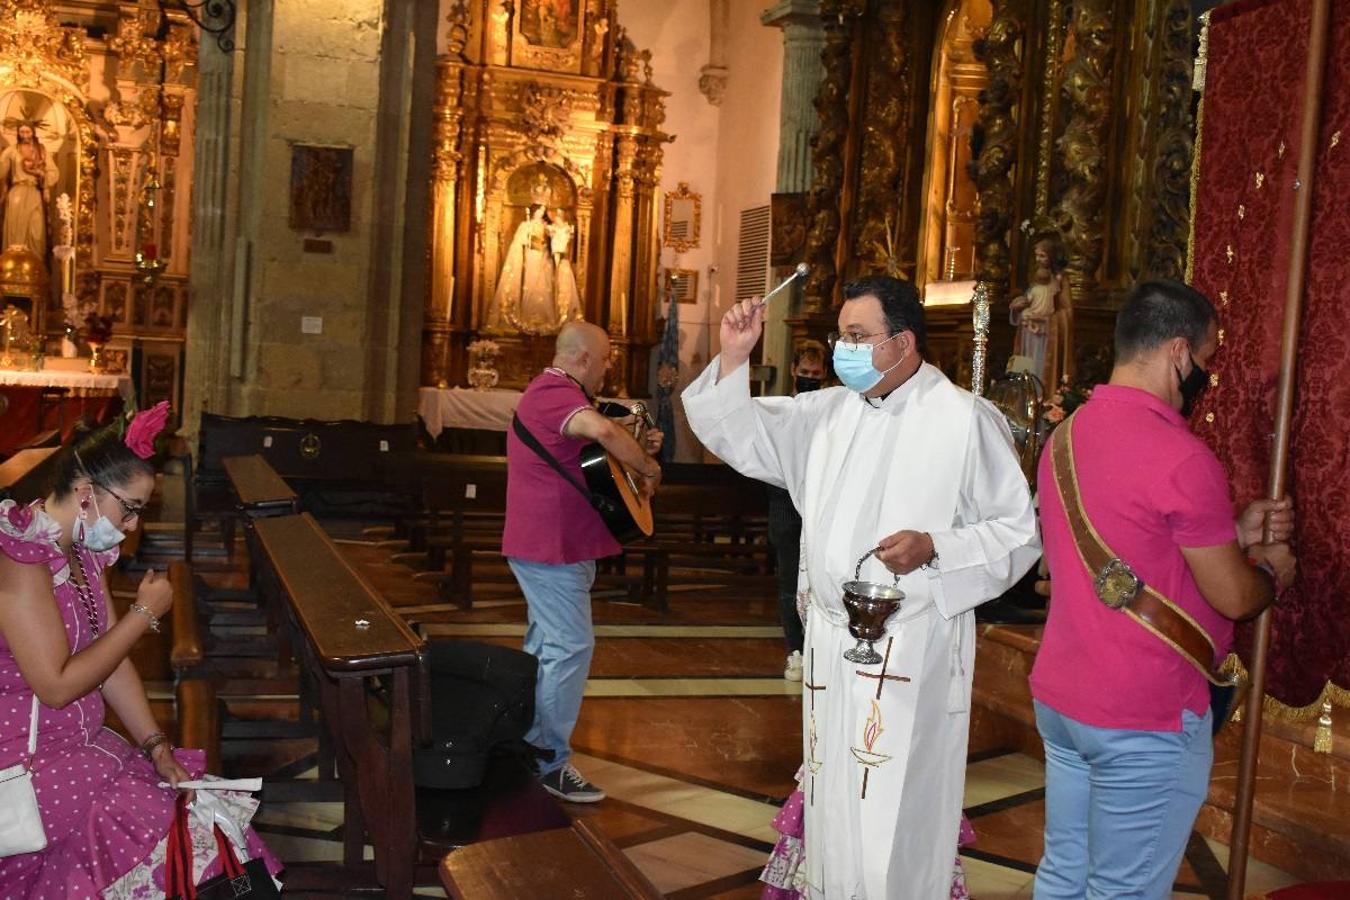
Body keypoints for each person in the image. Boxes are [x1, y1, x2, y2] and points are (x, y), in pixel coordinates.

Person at [683, 275, 1040, 898]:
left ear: (902, 342)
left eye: (857, 336)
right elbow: (735, 431)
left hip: (912, 649)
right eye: (840, 335)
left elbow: (1018, 532)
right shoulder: (824, 414)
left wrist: (937, 548)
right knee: (836, 808)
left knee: (893, 817)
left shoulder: (963, 420)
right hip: (828, 648)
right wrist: (735, 354)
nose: (843, 349)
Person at [1030, 280, 1296, 898]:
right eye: (1204, 360)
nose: (1203, 375)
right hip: (1142, 712)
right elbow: (1233, 596)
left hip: (1065, 698)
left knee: (1066, 874)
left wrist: (1230, 530)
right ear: (1179, 352)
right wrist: (1273, 570)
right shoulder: (1182, 456)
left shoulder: (1063, 438)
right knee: (1123, 890)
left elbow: (1136, 542)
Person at [0, 403, 281, 895]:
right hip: (28, 769)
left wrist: (156, 746)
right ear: (86, 494)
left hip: (79, 752)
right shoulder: (21, 561)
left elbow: (111, 663)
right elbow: (57, 687)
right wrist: (144, 615)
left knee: (195, 819)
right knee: (170, 839)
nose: (131, 526)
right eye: (129, 508)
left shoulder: (80, 552)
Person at [503, 321, 663, 802]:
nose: (610, 365)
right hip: (550, 549)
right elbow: (598, 429)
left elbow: (593, 448)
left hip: (558, 547)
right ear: (585, 358)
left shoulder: (560, 396)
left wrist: (635, 447)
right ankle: (549, 760)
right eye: (607, 357)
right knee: (570, 649)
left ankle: (527, 745)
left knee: (548, 649)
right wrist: (647, 466)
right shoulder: (552, 391)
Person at [767, 340, 828, 682]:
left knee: (822, 581)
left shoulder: (831, 410)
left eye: (815, 374)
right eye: (804, 372)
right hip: (786, 505)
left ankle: (820, 650)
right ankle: (796, 650)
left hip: (820, 507)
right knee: (790, 583)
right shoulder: (780, 411)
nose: (809, 378)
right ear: (793, 372)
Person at [1009, 234, 1072, 392]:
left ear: (1052, 257)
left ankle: (1040, 398)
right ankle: (1023, 397)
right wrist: (1018, 309)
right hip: (1027, 333)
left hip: (1046, 333)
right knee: (1025, 370)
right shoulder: (1034, 278)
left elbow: (1067, 311)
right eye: (1037, 256)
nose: (1038, 259)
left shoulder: (1059, 280)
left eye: (1042, 256)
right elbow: (1028, 300)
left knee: (1040, 368)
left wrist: (1050, 320)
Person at [490, 203, 556, 333]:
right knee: (530, 282)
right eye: (538, 211)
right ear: (534, 212)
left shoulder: (546, 226)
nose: (540, 214)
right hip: (531, 255)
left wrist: (550, 238)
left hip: (544, 257)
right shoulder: (526, 225)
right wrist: (530, 238)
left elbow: (553, 241)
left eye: (542, 212)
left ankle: (542, 317)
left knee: (543, 284)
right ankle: (527, 313)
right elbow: (521, 240)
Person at [0, 122, 59, 259]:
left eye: (28, 132)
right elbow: (1, 170)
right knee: (15, 230)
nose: (25, 135)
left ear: (33, 132)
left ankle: (36, 263)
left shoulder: (41, 151)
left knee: (36, 230)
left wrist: (43, 176)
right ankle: (13, 263)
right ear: (18, 134)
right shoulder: (12, 150)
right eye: (22, 132)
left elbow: (53, 172)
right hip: (17, 194)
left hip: (34, 192)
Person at [549, 208, 583, 323]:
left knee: (564, 285)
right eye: (556, 217)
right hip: (554, 257)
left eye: (559, 217)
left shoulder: (566, 229)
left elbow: (569, 243)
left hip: (563, 259)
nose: (557, 219)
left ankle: (564, 313)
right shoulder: (553, 228)